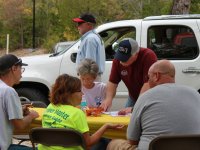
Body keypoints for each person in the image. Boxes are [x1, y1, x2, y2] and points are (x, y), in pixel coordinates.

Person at [107, 60, 200, 150]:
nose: (148, 81)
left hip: (153, 147)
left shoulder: (145, 97)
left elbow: (132, 140)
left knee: (113, 143)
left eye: (148, 77)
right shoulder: (195, 94)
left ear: (156, 76)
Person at [39, 74, 123, 150]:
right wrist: (106, 126)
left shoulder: (50, 107)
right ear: (69, 94)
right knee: (104, 141)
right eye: (80, 91)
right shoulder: (77, 113)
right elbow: (88, 143)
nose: (82, 94)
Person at [100, 38, 157, 112]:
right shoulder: (117, 59)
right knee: (125, 118)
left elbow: (148, 84)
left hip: (151, 96)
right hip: (133, 96)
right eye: (120, 57)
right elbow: (112, 82)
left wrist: (135, 108)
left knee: (142, 117)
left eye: (125, 58)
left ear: (136, 54)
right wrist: (108, 99)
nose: (121, 61)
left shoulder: (148, 56)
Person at [0, 54, 39, 150]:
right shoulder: (8, 91)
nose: (21, 73)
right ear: (14, 68)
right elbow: (20, 125)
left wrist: (18, 110)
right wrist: (31, 116)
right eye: (21, 69)